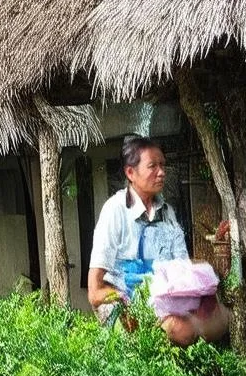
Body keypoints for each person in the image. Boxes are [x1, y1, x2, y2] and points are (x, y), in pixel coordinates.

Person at [88, 135, 229, 346]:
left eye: (163, 165)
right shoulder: (114, 211)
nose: (161, 172)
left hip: (166, 302)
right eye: (152, 166)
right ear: (130, 172)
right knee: (183, 330)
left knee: (221, 320)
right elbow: (95, 292)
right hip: (127, 305)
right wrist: (129, 303)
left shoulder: (167, 212)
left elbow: (181, 269)